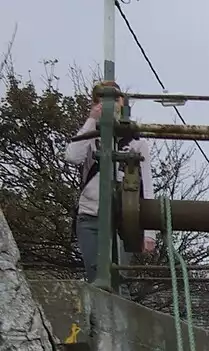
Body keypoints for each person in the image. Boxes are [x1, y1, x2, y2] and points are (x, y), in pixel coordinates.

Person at [63, 81, 154, 282]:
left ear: (121, 102)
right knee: (96, 278)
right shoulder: (90, 136)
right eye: (102, 100)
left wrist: (149, 233)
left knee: (116, 279)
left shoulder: (136, 143)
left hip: (123, 219)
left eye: (113, 99)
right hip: (89, 216)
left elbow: (146, 186)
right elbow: (72, 157)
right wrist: (91, 120)